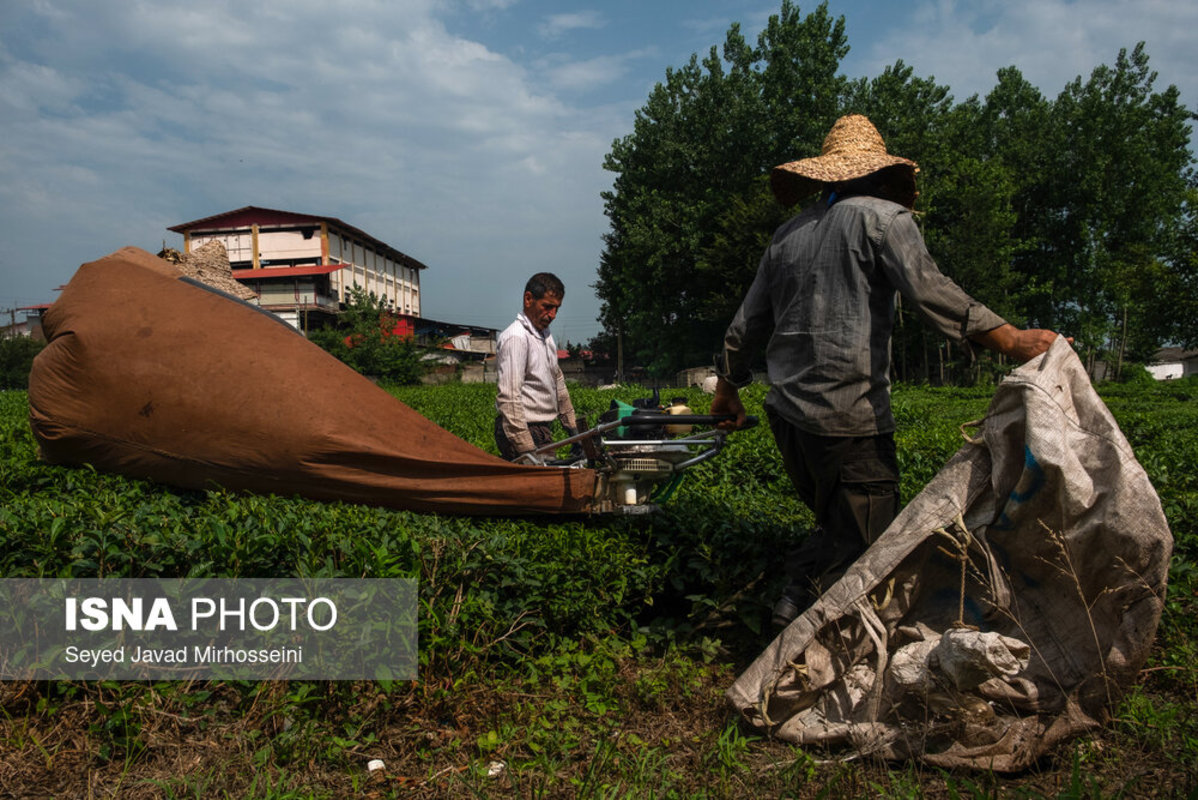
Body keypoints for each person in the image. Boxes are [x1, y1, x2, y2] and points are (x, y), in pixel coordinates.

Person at [711, 114, 1068, 627]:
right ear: (879, 174)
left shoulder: (786, 236)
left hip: (787, 418)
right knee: (867, 544)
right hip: (848, 417)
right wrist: (1010, 338)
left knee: (836, 522)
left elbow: (746, 323)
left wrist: (727, 390)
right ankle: (801, 626)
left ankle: (795, 603)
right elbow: (931, 290)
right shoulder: (884, 220)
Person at [494, 272, 579, 463]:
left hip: (541, 429)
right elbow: (509, 397)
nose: (553, 315)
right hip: (521, 428)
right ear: (528, 299)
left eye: (557, 308)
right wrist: (528, 451)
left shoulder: (545, 337)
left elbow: (558, 384)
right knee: (542, 484)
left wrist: (574, 431)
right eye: (547, 307)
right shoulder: (516, 338)